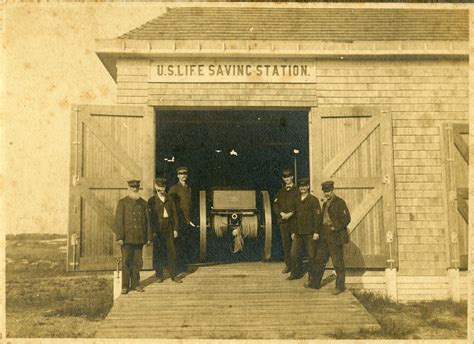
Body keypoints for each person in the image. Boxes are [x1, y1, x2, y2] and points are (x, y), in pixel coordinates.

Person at [312, 180, 351, 295]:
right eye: (325, 191)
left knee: (337, 262)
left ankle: (340, 286)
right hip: (324, 234)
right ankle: (315, 283)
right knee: (320, 259)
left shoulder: (340, 202)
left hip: (335, 236)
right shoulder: (325, 203)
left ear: (333, 190)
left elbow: (346, 219)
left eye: (328, 191)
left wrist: (335, 227)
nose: (327, 194)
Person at [113, 180, 152, 294]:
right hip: (127, 238)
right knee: (126, 261)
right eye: (132, 187)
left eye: (136, 187)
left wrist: (149, 237)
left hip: (139, 237)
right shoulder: (122, 202)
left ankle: (136, 284)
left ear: (139, 189)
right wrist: (120, 237)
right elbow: (118, 221)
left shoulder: (144, 203)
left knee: (138, 262)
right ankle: (125, 286)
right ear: (128, 188)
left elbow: (148, 222)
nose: (134, 189)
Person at [287, 178, 321, 288]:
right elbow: (294, 217)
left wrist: (316, 232)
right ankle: (295, 273)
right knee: (293, 254)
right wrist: (293, 231)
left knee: (311, 256)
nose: (302, 188)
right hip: (298, 232)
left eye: (304, 186)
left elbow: (317, 217)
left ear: (308, 187)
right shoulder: (296, 200)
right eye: (301, 186)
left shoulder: (313, 200)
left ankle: (312, 278)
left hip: (310, 233)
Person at [148, 178, 182, 283]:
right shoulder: (152, 201)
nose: (161, 189)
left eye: (162, 187)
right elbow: (150, 218)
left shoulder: (170, 199)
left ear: (165, 187)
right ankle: (159, 276)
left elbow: (175, 215)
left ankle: (174, 275)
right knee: (158, 253)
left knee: (172, 252)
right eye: (159, 188)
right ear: (155, 187)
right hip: (158, 230)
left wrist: (176, 229)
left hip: (169, 228)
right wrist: (153, 232)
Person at [169, 166, 196, 271]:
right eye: (181, 174)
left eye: (185, 174)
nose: (183, 176)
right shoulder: (174, 189)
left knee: (185, 243)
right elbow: (171, 206)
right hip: (178, 220)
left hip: (187, 220)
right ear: (177, 176)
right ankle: (177, 267)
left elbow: (191, 205)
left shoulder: (189, 188)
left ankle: (183, 265)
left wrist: (190, 219)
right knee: (178, 244)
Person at [273, 168, 299, 274]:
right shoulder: (280, 192)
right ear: (283, 179)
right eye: (285, 177)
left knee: (296, 244)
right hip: (283, 222)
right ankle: (288, 265)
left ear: (292, 177)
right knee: (286, 244)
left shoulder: (297, 190)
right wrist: (281, 214)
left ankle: (296, 266)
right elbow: (275, 205)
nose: (287, 179)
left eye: (288, 177)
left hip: (294, 221)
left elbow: (299, 205)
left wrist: (291, 213)